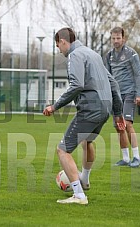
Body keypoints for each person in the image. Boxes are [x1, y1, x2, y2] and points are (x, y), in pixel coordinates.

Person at [43, 28, 125, 204]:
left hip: (90, 109)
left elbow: (77, 85)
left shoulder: (75, 56)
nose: (59, 50)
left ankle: (79, 195)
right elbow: (114, 85)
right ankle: (84, 180)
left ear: (64, 42)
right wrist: (118, 114)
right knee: (87, 141)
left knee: (62, 150)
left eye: (58, 45)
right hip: (104, 108)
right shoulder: (93, 54)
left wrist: (55, 106)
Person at [105, 26, 140, 168]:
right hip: (116, 96)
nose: (116, 41)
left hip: (130, 92)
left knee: (128, 123)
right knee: (119, 127)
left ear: (123, 39)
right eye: (113, 38)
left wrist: (138, 93)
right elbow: (107, 76)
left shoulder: (131, 54)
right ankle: (125, 159)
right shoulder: (108, 56)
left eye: (118, 38)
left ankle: (137, 157)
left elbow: (138, 74)